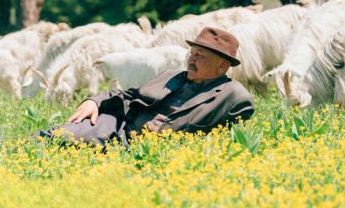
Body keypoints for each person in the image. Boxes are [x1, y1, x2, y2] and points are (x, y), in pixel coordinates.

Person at [34, 27, 255, 146]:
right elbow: (130, 95)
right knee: (58, 135)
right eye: (192, 53)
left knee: (71, 142)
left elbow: (223, 141)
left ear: (222, 66)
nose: (191, 60)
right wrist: (95, 100)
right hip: (119, 125)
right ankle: (7, 155)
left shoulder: (234, 97)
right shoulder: (172, 76)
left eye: (201, 56)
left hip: (146, 144)